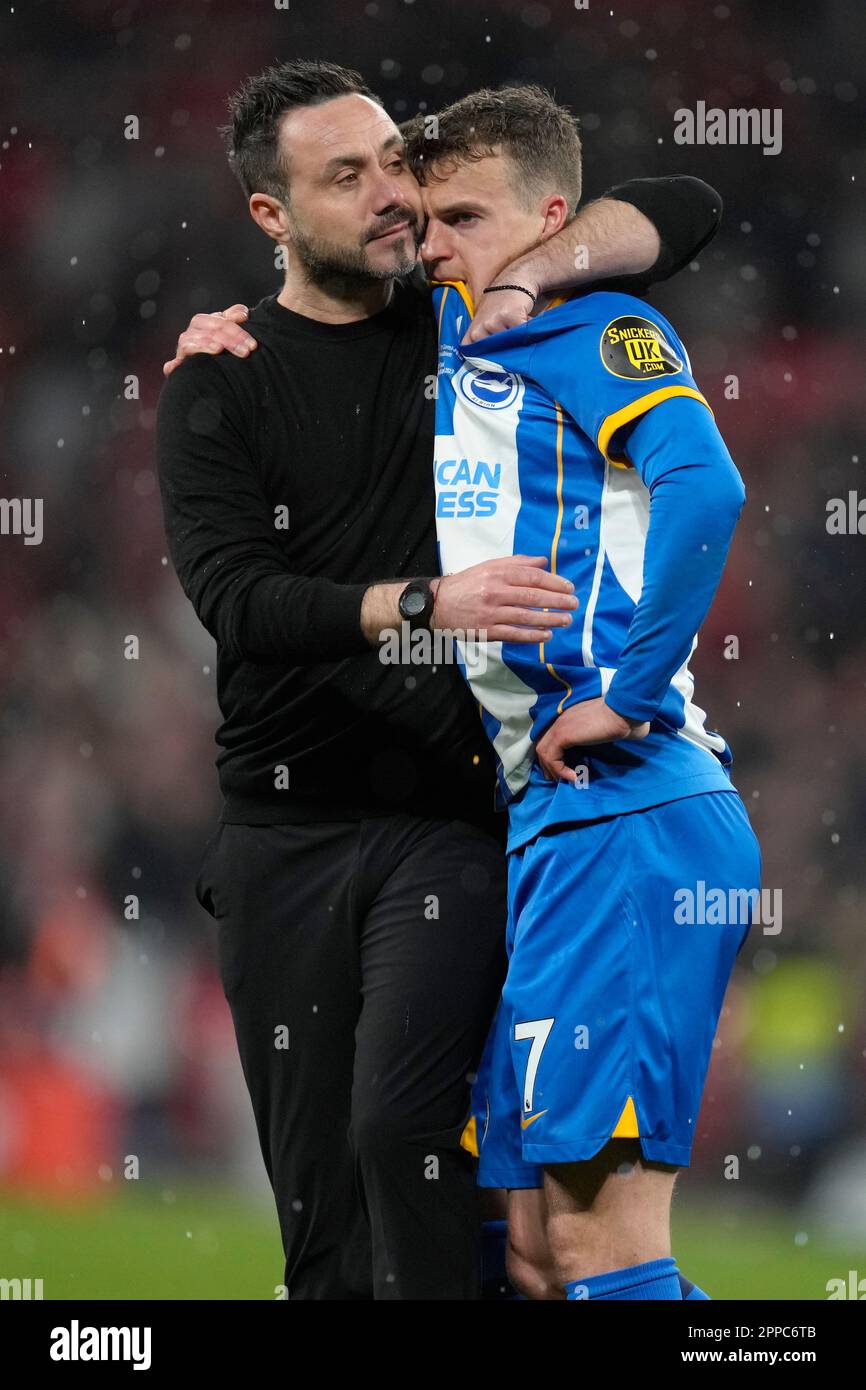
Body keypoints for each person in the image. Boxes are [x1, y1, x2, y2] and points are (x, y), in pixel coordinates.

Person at [158, 59, 723, 1300]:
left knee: (417, 1151)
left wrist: (535, 264)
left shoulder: (467, 313)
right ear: (271, 215)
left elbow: (681, 202)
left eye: (395, 169)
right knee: (341, 1218)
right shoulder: (223, 372)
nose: (392, 201)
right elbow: (237, 602)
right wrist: (421, 606)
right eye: (347, 177)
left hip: (455, 818)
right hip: (282, 827)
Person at [394, 83, 762, 1300]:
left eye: (463, 216)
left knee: (605, 1252)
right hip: (552, 825)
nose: (436, 243)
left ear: (549, 219)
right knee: (538, 1258)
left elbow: (702, 490)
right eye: (426, 218)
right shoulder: (449, 335)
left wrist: (629, 687)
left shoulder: (592, 324)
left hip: (629, 804)